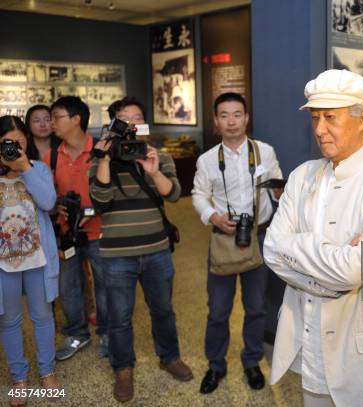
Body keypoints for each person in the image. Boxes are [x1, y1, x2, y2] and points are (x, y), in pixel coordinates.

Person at [263, 69, 363, 407]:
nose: (319, 129)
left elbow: (354, 272)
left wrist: (299, 248)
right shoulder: (301, 176)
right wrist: (335, 263)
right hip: (308, 336)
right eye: (315, 117)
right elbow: (272, 250)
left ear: (362, 117)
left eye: (330, 117)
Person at [89, 96, 193, 403]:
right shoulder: (98, 159)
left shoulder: (158, 156)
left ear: (145, 125)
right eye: (125, 120)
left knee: (163, 310)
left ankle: (169, 357)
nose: (132, 125)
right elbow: (100, 202)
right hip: (116, 254)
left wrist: (153, 170)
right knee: (119, 317)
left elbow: (173, 194)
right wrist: (106, 158)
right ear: (113, 126)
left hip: (156, 249)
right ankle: (123, 369)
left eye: (137, 118)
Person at [192, 92, 282, 394]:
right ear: (216, 121)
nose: (232, 121)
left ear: (246, 117)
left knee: (256, 308)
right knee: (218, 310)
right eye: (225, 115)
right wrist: (213, 216)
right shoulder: (207, 160)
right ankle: (216, 366)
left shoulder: (265, 152)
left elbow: (277, 188)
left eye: (237, 114)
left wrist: (282, 195)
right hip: (222, 240)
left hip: (257, 237)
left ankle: (252, 361)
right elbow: (198, 194)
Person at [0, 116, 61, 406]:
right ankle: (19, 378)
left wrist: (24, 169)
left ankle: (47, 372)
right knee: (9, 321)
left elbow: (49, 203)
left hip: (37, 258)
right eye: (6, 144)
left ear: (26, 142)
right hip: (4, 263)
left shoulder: (39, 169)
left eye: (18, 142)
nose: (14, 148)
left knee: (42, 316)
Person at [44, 96, 108, 362]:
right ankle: (78, 333)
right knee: (68, 286)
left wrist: (91, 211)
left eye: (56, 117)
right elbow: (46, 197)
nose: (51, 123)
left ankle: (107, 333)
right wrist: (55, 208)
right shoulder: (52, 156)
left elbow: (111, 192)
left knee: (106, 285)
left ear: (76, 119)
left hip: (100, 233)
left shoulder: (100, 151)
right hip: (66, 235)